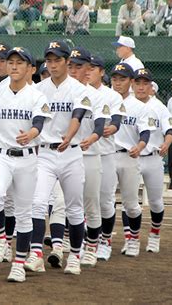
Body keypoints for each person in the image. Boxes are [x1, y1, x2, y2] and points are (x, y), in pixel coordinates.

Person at [0, 46, 51, 282]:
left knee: (24, 214)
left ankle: (19, 263)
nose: (13, 66)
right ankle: (2, 238)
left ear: (30, 69)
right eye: (10, 61)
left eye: (20, 62)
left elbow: (39, 123)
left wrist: (31, 134)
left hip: (27, 157)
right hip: (2, 155)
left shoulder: (37, 96)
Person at [25, 41, 89, 275]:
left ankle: (74, 257)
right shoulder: (38, 89)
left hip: (70, 153)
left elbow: (78, 115)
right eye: (49, 60)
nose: (52, 65)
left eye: (57, 60)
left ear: (67, 62)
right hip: (45, 153)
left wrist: (69, 136)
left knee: (74, 208)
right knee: (38, 203)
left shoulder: (79, 88)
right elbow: (36, 120)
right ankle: (36, 254)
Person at [67, 47, 112, 268]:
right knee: (65, 203)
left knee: (91, 203)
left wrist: (93, 138)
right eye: (71, 65)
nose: (74, 70)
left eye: (79, 65)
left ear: (88, 69)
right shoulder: (63, 92)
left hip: (91, 155)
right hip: (67, 154)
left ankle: (92, 246)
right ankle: (70, 243)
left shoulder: (97, 96)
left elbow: (101, 125)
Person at [107, 63, 154, 258]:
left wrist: (141, 146)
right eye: (115, 79)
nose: (118, 83)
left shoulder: (139, 106)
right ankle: (104, 241)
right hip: (108, 155)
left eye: (123, 79)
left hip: (129, 156)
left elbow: (145, 132)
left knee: (131, 204)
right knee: (105, 202)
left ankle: (133, 239)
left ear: (131, 82)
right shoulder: (105, 100)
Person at [132, 68, 172, 254]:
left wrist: (166, 143)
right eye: (138, 83)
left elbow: (170, 130)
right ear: (132, 84)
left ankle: (154, 235)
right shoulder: (126, 104)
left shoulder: (159, 107)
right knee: (130, 202)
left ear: (151, 87)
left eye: (145, 83)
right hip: (131, 159)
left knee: (156, 202)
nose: (141, 87)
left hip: (153, 158)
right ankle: (132, 239)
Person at [84, 56, 125, 262]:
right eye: (86, 67)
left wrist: (113, 127)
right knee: (84, 201)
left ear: (101, 72)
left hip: (105, 153)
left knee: (105, 200)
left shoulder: (111, 95)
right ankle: (87, 240)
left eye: (93, 68)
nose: (89, 71)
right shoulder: (76, 90)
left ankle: (105, 241)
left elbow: (116, 119)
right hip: (82, 154)